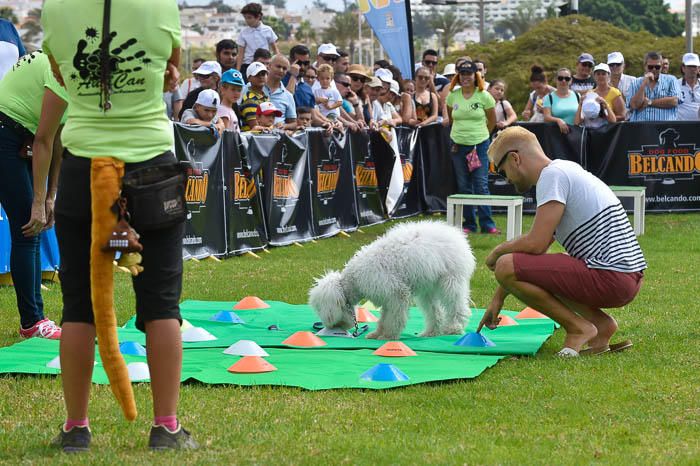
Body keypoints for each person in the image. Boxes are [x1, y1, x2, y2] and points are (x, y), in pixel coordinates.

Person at [42, 0, 197, 451]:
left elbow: (63, 73)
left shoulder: (56, 9)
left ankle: (76, 428)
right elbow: (173, 69)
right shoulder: (160, 6)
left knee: (77, 306)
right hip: (151, 164)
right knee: (163, 303)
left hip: (83, 168)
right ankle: (166, 427)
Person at [479, 126, 646, 357]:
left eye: (500, 170)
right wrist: (498, 297)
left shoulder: (552, 176)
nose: (504, 179)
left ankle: (578, 329)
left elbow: (535, 244)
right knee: (532, 266)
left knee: (506, 263)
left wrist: (497, 252)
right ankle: (601, 326)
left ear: (515, 158)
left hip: (612, 276)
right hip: (625, 276)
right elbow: (534, 257)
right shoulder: (565, 170)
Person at [0, 50, 68, 341]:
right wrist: (39, 202)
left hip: (17, 136)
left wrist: (51, 195)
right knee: (29, 227)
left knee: (31, 228)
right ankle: (32, 322)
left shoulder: (72, 68)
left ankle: (33, 320)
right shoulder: (64, 71)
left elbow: (58, 139)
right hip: (7, 133)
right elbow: (43, 140)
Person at [445, 61, 499, 235]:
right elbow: (452, 118)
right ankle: (469, 224)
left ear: (475, 76)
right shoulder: (453, 96)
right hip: (458, 145)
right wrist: (459, 136)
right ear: (458, 76)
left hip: (480, 145)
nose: (465, 77)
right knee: (463, 185)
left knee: (481, 184)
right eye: (462, 73)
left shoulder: (484, 96)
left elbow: (492, 121)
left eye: (469, 73)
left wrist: (483, 136)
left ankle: (487, 224)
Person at [628, 52, 680, 122]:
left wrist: (650, 102)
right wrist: (643, 85)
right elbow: (634, 105)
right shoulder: (635, 82)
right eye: (650, 67)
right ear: (645, 66)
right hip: (640, 128)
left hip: (664, 128)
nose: (654, 69)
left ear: (661, 67)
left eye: (657, 67)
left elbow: (674, 101)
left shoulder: (671, 80)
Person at [235, 2, 279, 78]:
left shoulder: (267, 30)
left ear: (258, 16)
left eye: (249, 17)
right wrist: (238, 71)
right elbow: (241, 54)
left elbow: (275, 49)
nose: (247, 20)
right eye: (245, 18)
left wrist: (278, 65)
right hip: (247, 65)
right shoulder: (243, 33)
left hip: (264, 66)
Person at [543, 68, 579, 134]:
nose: (564, 81)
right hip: (556, 135)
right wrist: (558, 120)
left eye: (567, 79)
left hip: (575, 134)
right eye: (560, 78)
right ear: (555, 80)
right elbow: (546, 118)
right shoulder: (548, 97)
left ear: (571, 81)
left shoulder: (577, 95)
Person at [266, 55, 297, 130]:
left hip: (278, 138)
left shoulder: (288, 95)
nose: (281, 70)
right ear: (269, 66)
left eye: (284, 68)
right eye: (278, 66)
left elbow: (294, 123)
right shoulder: (251, 87)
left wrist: (285, 126)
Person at [239, 62, 269, 131]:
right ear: (249, 78)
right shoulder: (249, 100)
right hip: (252, 139)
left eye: (263, 74)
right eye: (257, 75)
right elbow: (256, 127)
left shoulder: (265, 96)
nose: (261, 77)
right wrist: (274, 128)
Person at [677, 53, 700, 121]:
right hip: (681, 127)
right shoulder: (675, 84)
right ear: (683, 68)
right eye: (689, 66)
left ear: (699, 68)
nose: (692, 69)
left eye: (694, 66)